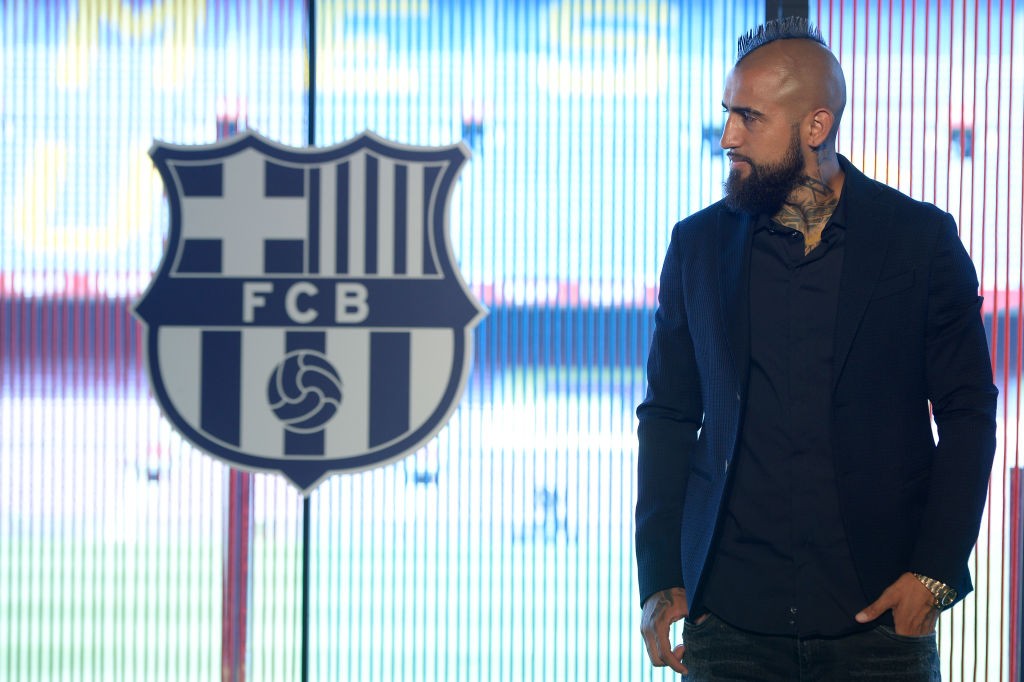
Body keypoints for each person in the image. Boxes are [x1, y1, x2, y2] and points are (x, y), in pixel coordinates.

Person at [634, 16, 997, 681]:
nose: (728, 138)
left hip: (879, 622)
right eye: (727, 115)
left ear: (815, 127)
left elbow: (969, 410)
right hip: (729, 627)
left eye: (749, 118)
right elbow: (667, 416)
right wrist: (659, 578)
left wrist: (935, 573)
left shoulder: (920, 240)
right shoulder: (697, 247)